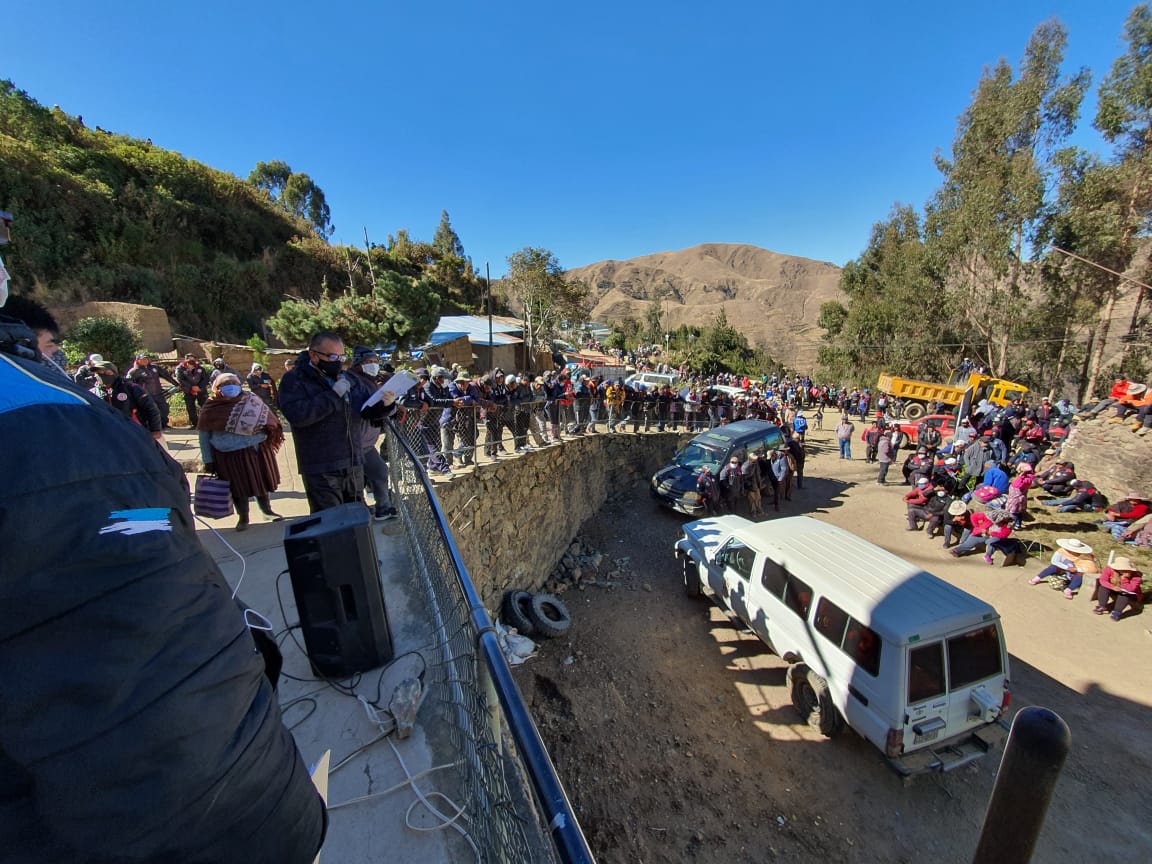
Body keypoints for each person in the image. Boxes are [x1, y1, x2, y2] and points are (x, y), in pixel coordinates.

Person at [0, 208, 327, 863]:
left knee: (256, 490)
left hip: (205, 806)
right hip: (224, 815)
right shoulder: (63, 420)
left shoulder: (62, 413)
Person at [278, 331, 393, 512]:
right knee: (332, 523)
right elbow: (298, 415)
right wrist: (333, 396)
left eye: (341, 356)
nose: (338, 361)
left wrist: (386, 404)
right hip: (321, 466)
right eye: (332, 356)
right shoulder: (295, 380)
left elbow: (367, 411)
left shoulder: (348, 378)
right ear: (313, 355)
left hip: (353, 462)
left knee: (357, 521)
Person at [197, 373, 285, 531]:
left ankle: (267, 511)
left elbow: (269, 419)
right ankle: (243, 517)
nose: (231, 386)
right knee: (238, 486)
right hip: (228, 453)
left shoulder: (251, 399)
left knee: (261, 480)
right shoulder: (211, 407)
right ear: (217, 388)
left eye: (233, 383)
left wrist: (268, 431)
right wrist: (207, 459)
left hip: (256, 448)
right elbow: (204, 435)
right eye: (226, 384)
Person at [347, 348, 398, 521]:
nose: (373, 365)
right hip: (352, 443)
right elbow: (364, 410)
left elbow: (379, 410)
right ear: (358, 363)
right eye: (368, 362)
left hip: (367, 444)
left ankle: (383, 508)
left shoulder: (370, 382)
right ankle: (359, 515)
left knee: (380, 471)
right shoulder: (352, 381)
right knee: (356, 481)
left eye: (375, 361)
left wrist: (390, 405)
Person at [90, 359, 163, 439]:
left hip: (133, 432)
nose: (102, 375)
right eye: (98, 373)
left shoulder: (131, 388)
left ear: (114, 373)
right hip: (108, 434)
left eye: (106, 372)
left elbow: (150, 408)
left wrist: (155, 429)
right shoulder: (92, 393)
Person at [1028, 538, 1097, 599]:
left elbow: (1091, 568)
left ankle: (1069, 590)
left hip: (1075, 573)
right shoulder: (1061, 551)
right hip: (1063, 570)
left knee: (1080, 574)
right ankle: (1037, 578)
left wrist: (1077, 569)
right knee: (1053, 567)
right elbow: (1054, 561)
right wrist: (1067, 568)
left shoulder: (1084, 556)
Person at [127, 352, 177, 428]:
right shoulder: (134, 371)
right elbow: (128, 383)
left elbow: (166, 376)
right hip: (146, 395)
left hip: (158, 393)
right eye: (143, 359)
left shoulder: (154, 368)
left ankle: (163, 424)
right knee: (150, 411)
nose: (145, 360)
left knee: (164, 409)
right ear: (138, 360)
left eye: (146, 359)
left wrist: (176, 384)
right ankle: (152, 426)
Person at [1092, 556, 1144, 621]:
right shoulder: (1109, 569)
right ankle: (1101, 606)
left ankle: (1117, 612)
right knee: (1103, 588)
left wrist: (1124, 579)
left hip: (1129, 593)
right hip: (1114, 588)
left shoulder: (1136, 576)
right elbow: (1103, 580)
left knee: (1125, 594)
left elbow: (1131, 589)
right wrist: (1112, 587)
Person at [175, 353, 209, 427]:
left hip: (200, 390)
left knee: (205, 406)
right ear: (186, 359)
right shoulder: (180, 368)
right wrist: (191, 387)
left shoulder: (200, 368)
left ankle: (205, 423)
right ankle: (195, 424)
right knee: (190, 408)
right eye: (189, 358)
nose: (191, 360)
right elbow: (180, 379)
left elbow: (205, 379)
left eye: (193, 358)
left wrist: (199, 387)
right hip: (188, 391)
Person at [1005, 462, 1035, 530]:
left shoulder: (1022, 479)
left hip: (1015, 499)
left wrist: (1021, 475)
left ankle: (1012, 526)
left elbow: (1015, 484)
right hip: (1022, 498)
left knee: (1013, 513)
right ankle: (1018, 524)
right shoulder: (1029, 478)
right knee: (1019, 512)